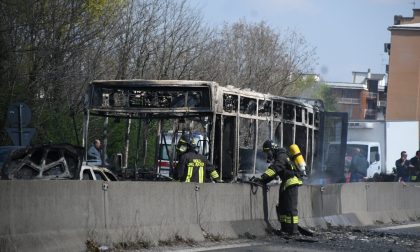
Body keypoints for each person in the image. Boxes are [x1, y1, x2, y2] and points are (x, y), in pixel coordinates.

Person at [253, 140, 303, 235]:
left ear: (273, 149)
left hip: (291, 182)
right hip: (286, 183)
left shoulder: (281, 156)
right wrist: (262, 181)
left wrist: (262, 179)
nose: (268, 155)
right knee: (283, 208)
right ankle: (285, 229)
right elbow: (274, 174)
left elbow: (275, 169)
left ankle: (293, 231)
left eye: (268, 152)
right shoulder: (281, 156)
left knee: (290, 208)